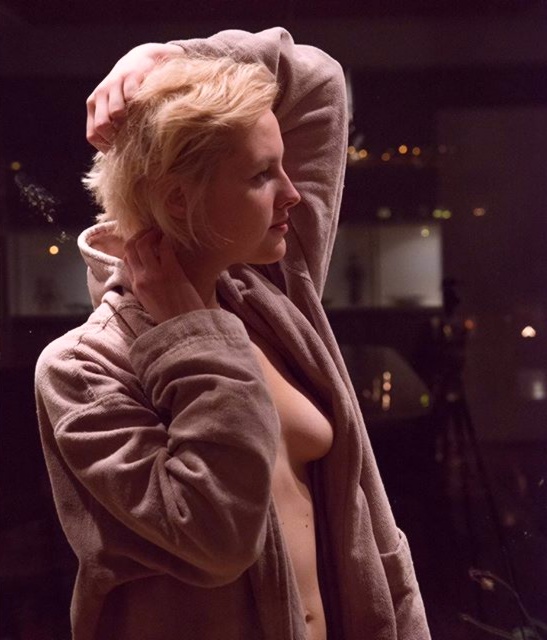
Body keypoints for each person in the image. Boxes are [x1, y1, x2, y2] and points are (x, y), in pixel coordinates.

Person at [35, 27, 430, 640]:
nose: (293, 193)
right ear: (180, 199)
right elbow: (216, 538)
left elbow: (319, 80)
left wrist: (166, 57)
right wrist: (192, 340)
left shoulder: (272, 293)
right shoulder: (83, 368)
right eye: (262, 175)